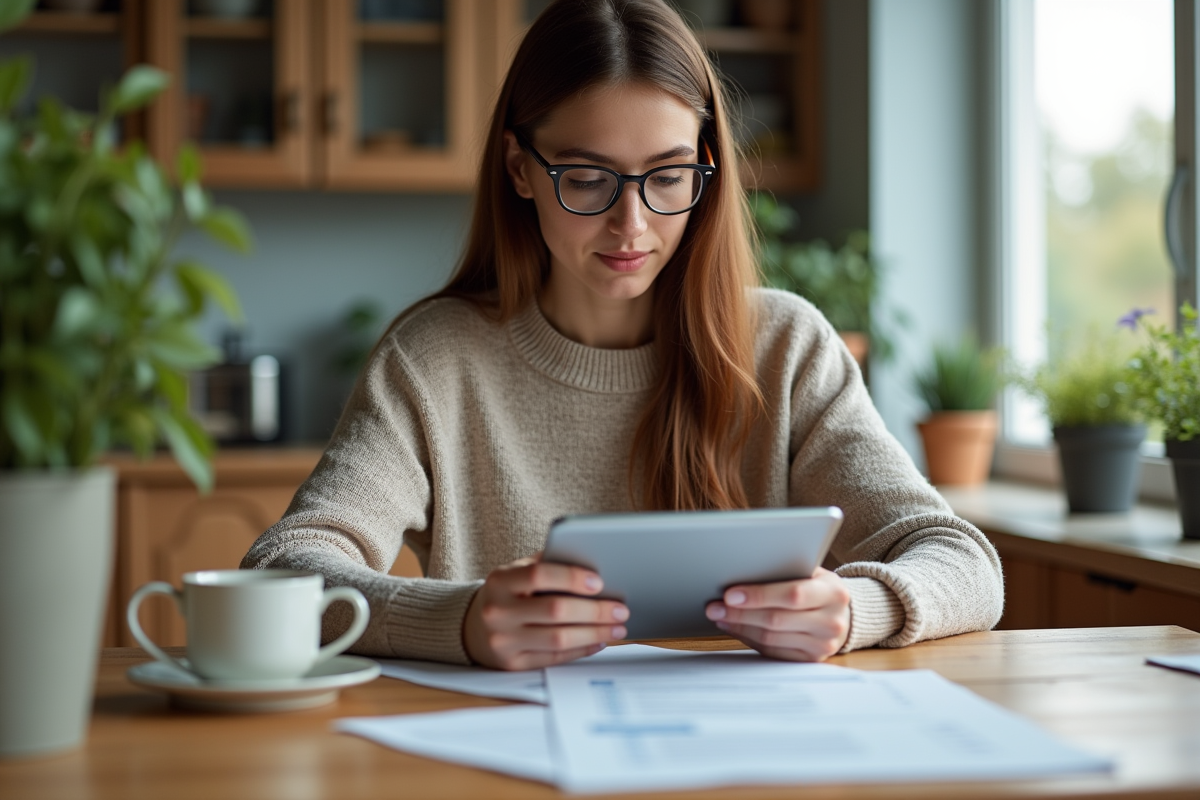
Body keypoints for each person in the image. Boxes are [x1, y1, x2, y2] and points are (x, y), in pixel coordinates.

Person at [241, 0, 1003, 670]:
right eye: (587, 177)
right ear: (519, 167)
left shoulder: (788, 348)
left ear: (706, 170)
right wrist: (460, 620)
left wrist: (853, 609)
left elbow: (964, 562)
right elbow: (284, 570)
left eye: (668, 176)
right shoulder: (435, 359)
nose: (631, 224)